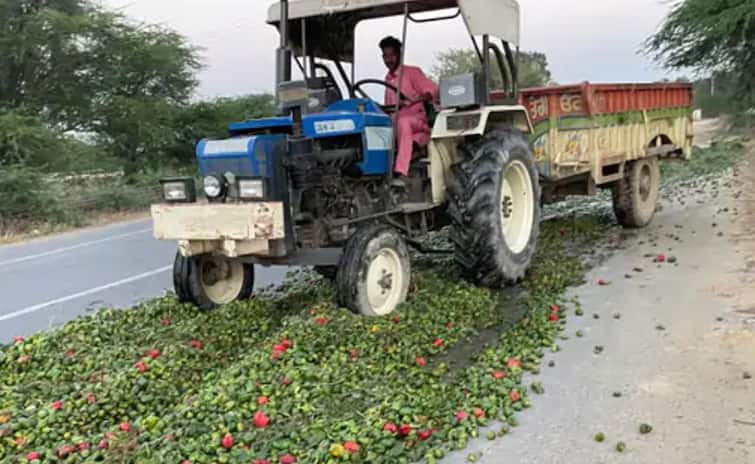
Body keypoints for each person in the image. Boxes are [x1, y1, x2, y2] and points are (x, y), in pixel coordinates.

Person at [380, 36, 439, 185]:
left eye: (392, 55)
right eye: (385, 56)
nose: (389, 60)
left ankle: (402, 172)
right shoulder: (388, 79)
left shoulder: (412, 72)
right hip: (396, 122)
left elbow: (432, 91)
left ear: (399, 54)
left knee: (403, 122)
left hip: (417, 122)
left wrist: (415, 99)